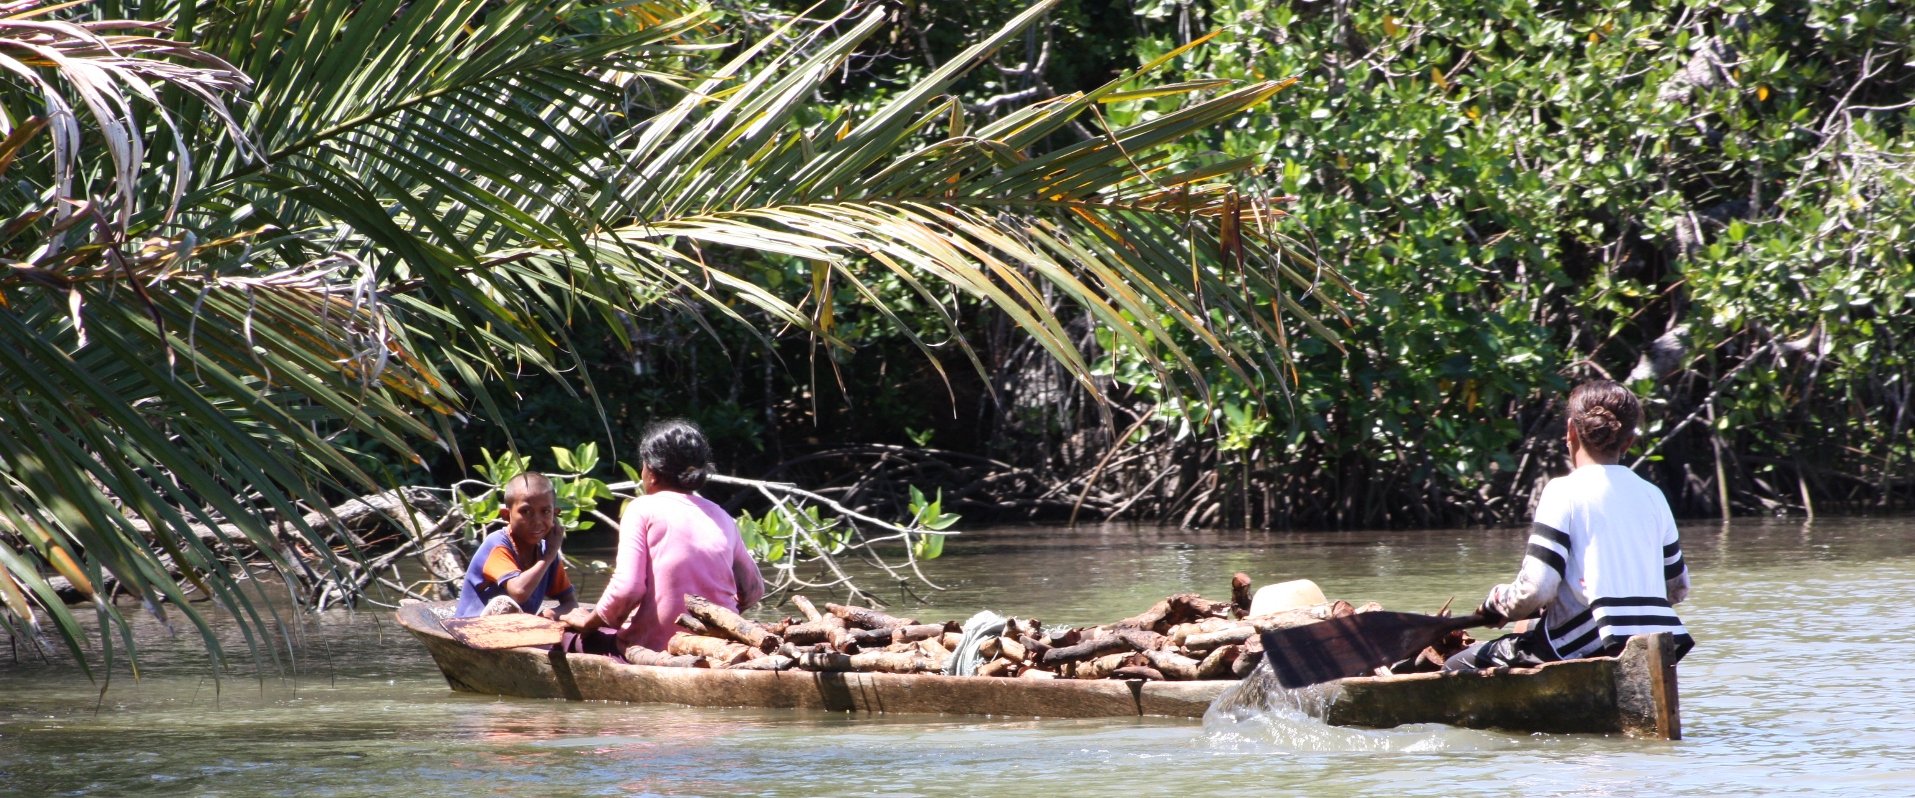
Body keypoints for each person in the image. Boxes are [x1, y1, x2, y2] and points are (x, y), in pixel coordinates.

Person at [1445, 380, 1693, 670]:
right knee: (1529, 628)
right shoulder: (1654, 495)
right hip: (1654, 647)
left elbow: (1535, 590)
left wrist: (1497, 602)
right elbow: (1677, 588)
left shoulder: (1563, 491)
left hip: (1581, 646)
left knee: (1455, 666)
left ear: (1571, 432)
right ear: (1628, 442)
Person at [561, 420, 764, 655]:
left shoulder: (642, 508)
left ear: (651, 472)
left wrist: (588, 623)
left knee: (566, 638)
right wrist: (721, 620)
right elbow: (754, 590)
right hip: (719, 648)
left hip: (654, 650)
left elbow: (627, 589)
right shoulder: (721, 516)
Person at [453, 472, 579, 619]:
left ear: (555, 515)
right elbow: (519, 592)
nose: (537, 521)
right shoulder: (498, 544)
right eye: (526, 511)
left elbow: (571, 603)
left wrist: (549, 614)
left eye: (545, 512)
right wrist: (547, 557)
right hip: (471, 627)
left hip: (513, 629)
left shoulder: (546, 552)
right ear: (506, 515)